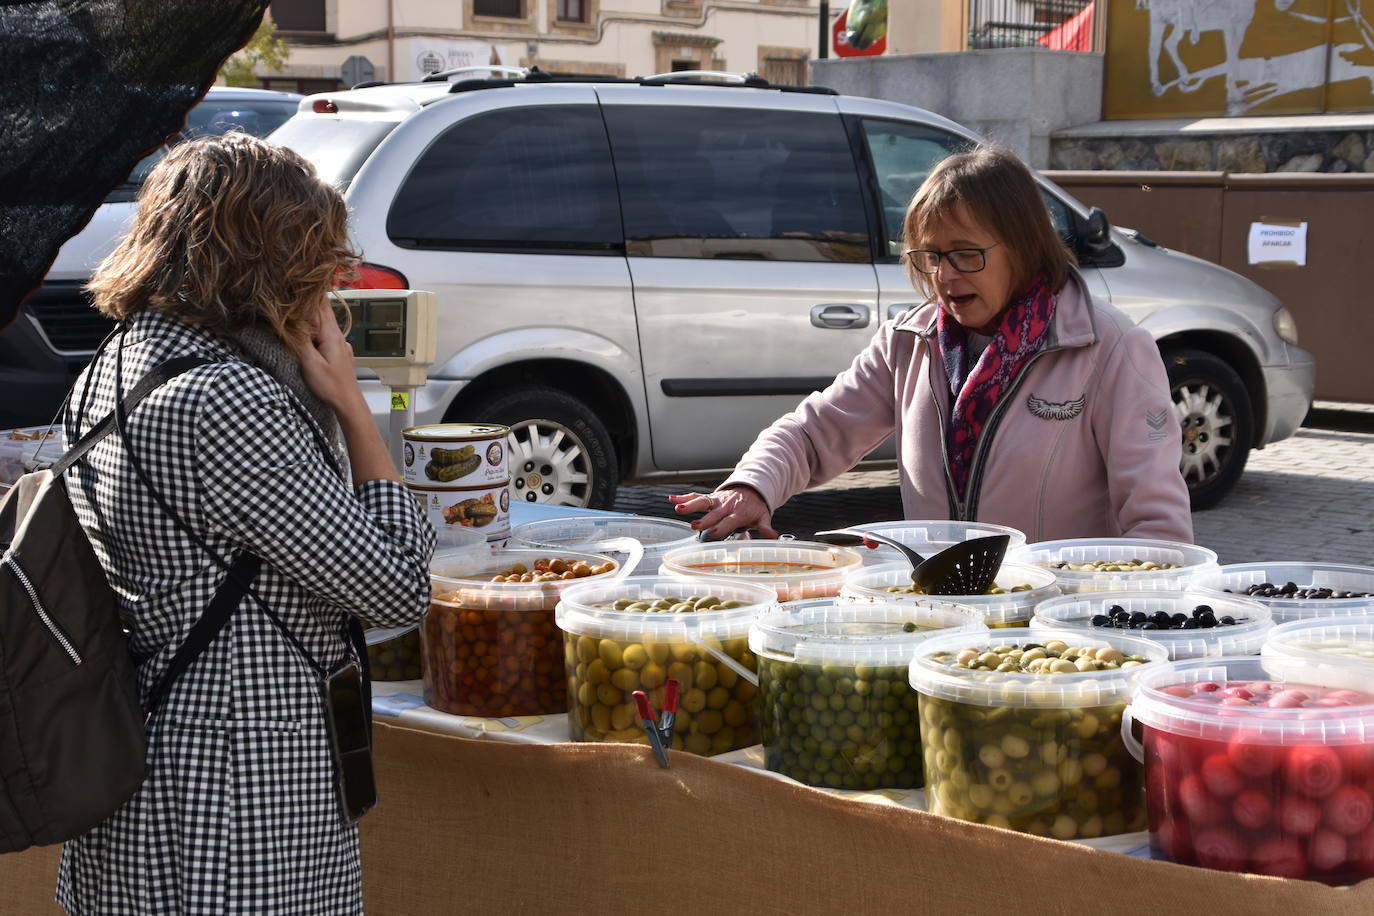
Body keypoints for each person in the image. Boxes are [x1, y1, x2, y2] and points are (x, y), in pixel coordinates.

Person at [55, 133, 436, 914]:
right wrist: (355, 412)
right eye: (320, 259)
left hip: (144, 761)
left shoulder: (116, 362)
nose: (332, 280)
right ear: (271, 260)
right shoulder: (229, 400)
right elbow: (397, 590)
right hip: (233, 793)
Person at [671, 145, 1193, 545]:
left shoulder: (1110, 348)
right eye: (929, 256)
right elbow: (815, 432)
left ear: (1025, 246)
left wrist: (1092, 623)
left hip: (1057, 643)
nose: (944, 275)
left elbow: (1158, 529)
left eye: (965, 254)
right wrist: (751, 487)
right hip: (943, 628)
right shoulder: (910, 342)